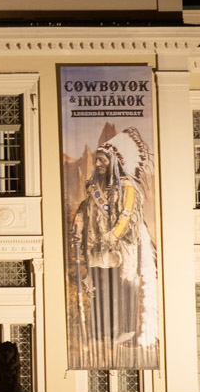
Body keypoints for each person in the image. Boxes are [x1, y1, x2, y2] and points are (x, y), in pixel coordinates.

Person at [68, 128, 161, 365]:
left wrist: (114, 235)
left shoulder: (127, 187)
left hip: (121, 247)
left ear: (114, 162)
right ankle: (101, 329)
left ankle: (123, 329)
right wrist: (78, 226)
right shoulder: (93, 186)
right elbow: (84, 208)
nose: (98, 163)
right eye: (96, 159)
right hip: (97, 246)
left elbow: (127, 214)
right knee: (99, 284)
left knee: (120, 287)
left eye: (102, 160)